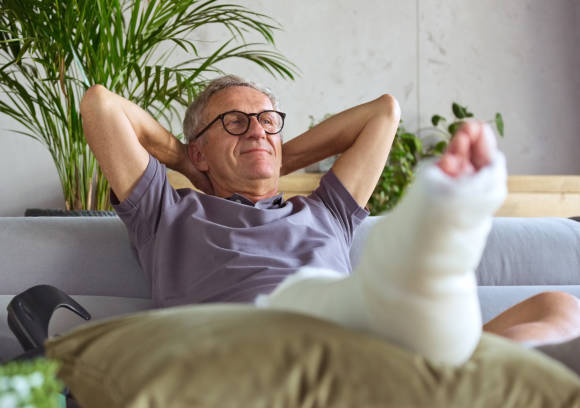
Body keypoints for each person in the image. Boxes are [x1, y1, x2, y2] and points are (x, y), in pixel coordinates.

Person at [80, 75, 580, 369]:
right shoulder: (166, 211)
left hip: (362, 359)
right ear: (200, 150)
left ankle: (472, 380)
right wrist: (186, 163)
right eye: (235, 121)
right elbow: (100, 104)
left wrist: (267, 154)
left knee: (558, 304)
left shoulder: (325, 210)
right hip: (245, 365)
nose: (257, 128)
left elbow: (384, 113)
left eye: (268, 120)